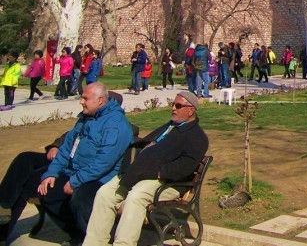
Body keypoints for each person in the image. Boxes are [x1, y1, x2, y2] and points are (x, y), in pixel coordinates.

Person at [83, 91, 209, 246]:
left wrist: (155, 171)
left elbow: (184, 168)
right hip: (141, 174)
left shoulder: (197, 137)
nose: (173, 109)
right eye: (172, 104)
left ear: (191, 110)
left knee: (136, 196)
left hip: (167, 181)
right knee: (105, 193)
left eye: (178, 106)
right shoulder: (170, 126)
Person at [36, 83, 133, 241]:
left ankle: (91, 239)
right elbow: (67, 148)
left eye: (85, 98)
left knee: (81, 199)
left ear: (100, 100)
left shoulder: (115, 124)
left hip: (103, 178)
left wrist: (76, 181)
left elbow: (104, 161)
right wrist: (52, 173)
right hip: (77, 171)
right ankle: (76, 233)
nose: (81, 101)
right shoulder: (86, 118)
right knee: (48, 191)